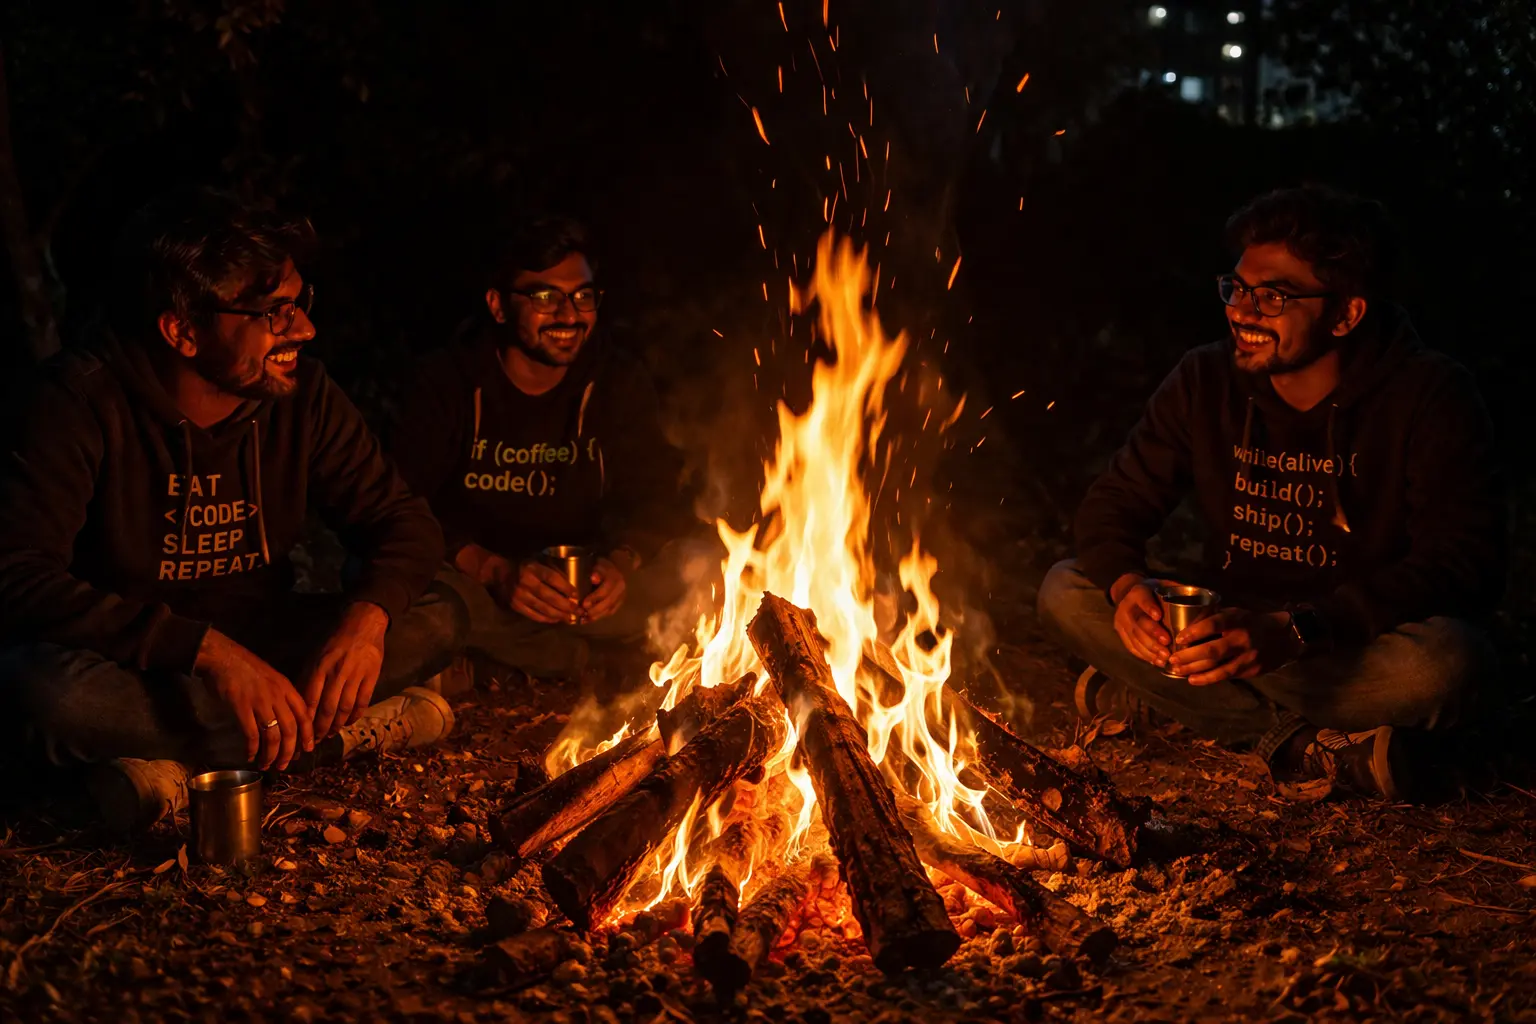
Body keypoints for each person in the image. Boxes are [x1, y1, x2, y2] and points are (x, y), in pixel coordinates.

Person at [0, 188, 465, 830]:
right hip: (136, 663)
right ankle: (323, 739)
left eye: (301, 302)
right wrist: (207, 653)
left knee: (438, 614)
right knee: (44, 691)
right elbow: (18, 575)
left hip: (267, 641)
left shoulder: (301, 397)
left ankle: (175, 764)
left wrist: (365, 623)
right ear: (184, 330)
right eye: (274, 313)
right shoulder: (77, 403)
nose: (303, 328)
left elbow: (401, 520)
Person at [1037, 185, 1504, 801]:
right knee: (1067, 590)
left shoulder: (1429, 396)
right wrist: (1127, 590)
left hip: (1351, 642)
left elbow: (1461, 564)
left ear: (1345, 314)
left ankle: (1176, 702)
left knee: (1446, 664)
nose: (1242, 311)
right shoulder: (1204, 379)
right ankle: (1304, 745)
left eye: (1274, 296)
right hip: (1227, 629)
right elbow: (1116, 503)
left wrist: (1295, 631)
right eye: (1236, 288)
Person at [392, 215, 694, 683]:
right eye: (546, 297)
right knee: (426, 606)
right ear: (498, 306)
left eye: (583, 297)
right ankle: (581, 662)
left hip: (581, 590)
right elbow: (402, 504)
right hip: (478, 582)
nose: (570, 316)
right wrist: (493, 570)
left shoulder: (616, 382)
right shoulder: (448, 382)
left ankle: (514, 659)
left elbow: (656, 495)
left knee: (708, 568)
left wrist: (620, 563)